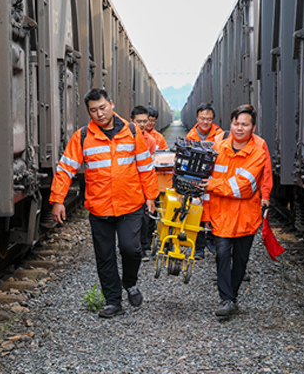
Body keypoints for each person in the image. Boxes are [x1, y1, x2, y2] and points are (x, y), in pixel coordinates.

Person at [50, 88, 159, 318]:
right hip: (100, 207)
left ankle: (130, 282)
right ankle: (113, 301)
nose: (99, 114)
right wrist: (58, 199)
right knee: (105, 256)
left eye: (102, 108)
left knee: (131, 249)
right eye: (93, 110)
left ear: (111, 104)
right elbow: (65, 169)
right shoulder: (82, 137)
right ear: (88, 112)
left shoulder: (131, 132)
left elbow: (146, 167)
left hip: (130, 204)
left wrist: (151, 196)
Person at [200, 104, 266, 317]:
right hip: (221, 215)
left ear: (252, 127)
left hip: (246, 216)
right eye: (236, 123)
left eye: (244, 124)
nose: (239, 128)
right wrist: (206, 215)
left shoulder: (258, 153)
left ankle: (232, 296)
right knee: (221, 255)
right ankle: (226, 299)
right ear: (231, 124)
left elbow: (243, 188)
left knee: (241, 259)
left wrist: (213, 184)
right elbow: (205, 187)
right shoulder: (217, 150)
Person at [186, 103, 225, 260]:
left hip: (214, 177)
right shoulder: (191, 135)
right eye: (202, 118)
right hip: (197, 176)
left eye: (209, 119)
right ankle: (198, 246)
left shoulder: (220, 134)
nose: (205, 122)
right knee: (196, 210)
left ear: (213, 120)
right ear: (197, 118)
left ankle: (213, 241)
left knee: (215, 210)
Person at [130, 105, 157, 261]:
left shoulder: (151, 140)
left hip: (144, 186)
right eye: (138, 121)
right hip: (130, 186)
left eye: (144, 121)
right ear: (132, 121)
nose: (141, 125)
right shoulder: (124, 138)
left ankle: (143, 248)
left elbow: (150, 167)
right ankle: (132, 248)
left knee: (145, 218)